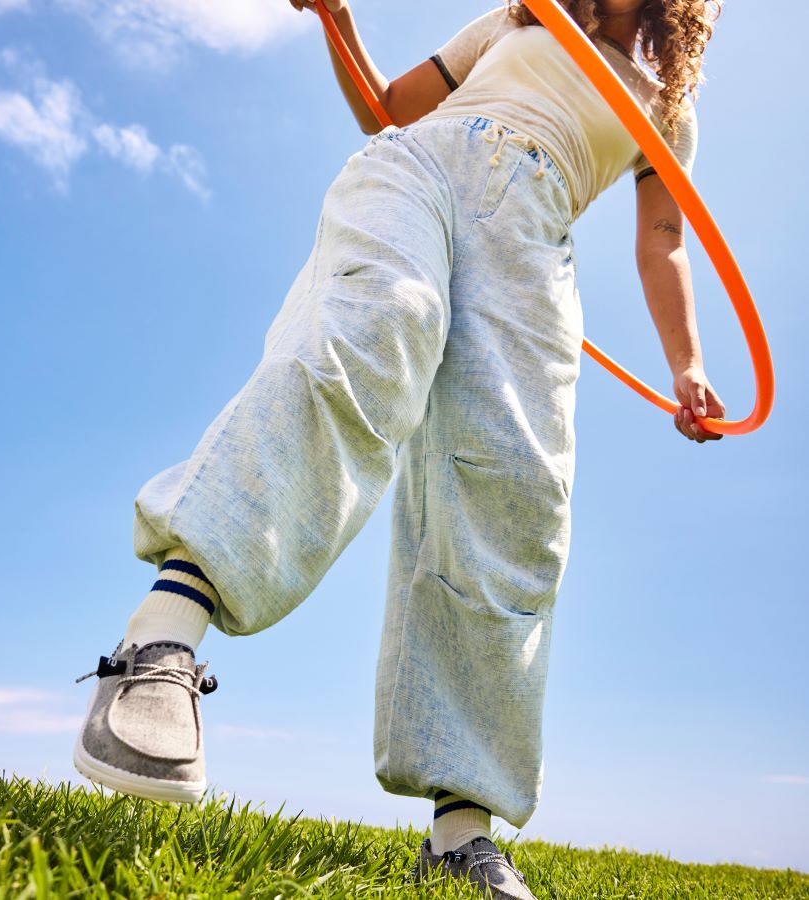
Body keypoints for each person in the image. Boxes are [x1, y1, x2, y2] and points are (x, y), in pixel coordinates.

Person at [73, 1, 726, 896]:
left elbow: (665, 242)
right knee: (376, 331)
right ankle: (158, 642)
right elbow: (390, 106)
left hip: (533, 247)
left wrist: (688, 365)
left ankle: (461, 832)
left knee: (517, 498)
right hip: (423, 171)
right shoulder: (518, 23)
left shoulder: (667, 110)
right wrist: (337, 18)